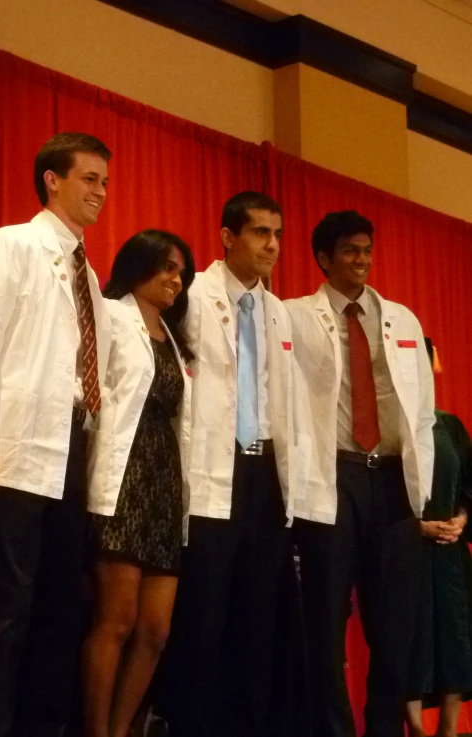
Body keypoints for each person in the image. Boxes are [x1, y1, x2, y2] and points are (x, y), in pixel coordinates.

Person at [0, 131, 112, 737]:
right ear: (53, 178)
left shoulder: (88, 274)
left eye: (105, 181)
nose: (101, 191)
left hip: (72, 449)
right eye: (90, 178)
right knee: (1, 613)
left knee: (58, 611)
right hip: (14, 452)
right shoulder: (11, 244)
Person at [156, 191, 317, 737]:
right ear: (228, 237)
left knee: (258, 614)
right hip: (210, 470)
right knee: (205, 613)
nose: (272, 245)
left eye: (277, 234)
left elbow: (285, 399)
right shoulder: (191, 294)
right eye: (260, 233)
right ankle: (193, 725)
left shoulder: (276, 309)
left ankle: (249, 724)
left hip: (264, 473)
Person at [284, 210, 435, 737]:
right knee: (325, 620)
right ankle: (332, 729)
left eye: (367, 250)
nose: (362, 260)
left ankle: (384, 730)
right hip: (334, 474)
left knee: (395, 625)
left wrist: (424, 484)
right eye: (350, 250)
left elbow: (422, 409)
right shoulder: (295, 316)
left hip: (392, 478)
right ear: (324, 259)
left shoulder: (402, 319)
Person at [82, 229, 195, 737]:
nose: (176, 279)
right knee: (118, 621)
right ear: (139, 266)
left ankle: (124, 727)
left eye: (181, 272)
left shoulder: (173, 336)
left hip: (165, 482)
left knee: (155, 630)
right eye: (167, 268)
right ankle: (96, 730)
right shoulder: (111, 316)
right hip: (124, 477)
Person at [405, 339, 472, 737]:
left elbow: (469, 484)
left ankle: (449, 729)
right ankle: (413, 728)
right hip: (406, 551)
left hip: (450, 555)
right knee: (410, 642)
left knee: (456, 641)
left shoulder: (448, 424)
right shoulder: (389, 425)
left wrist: (462, 519)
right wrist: (415, 527)